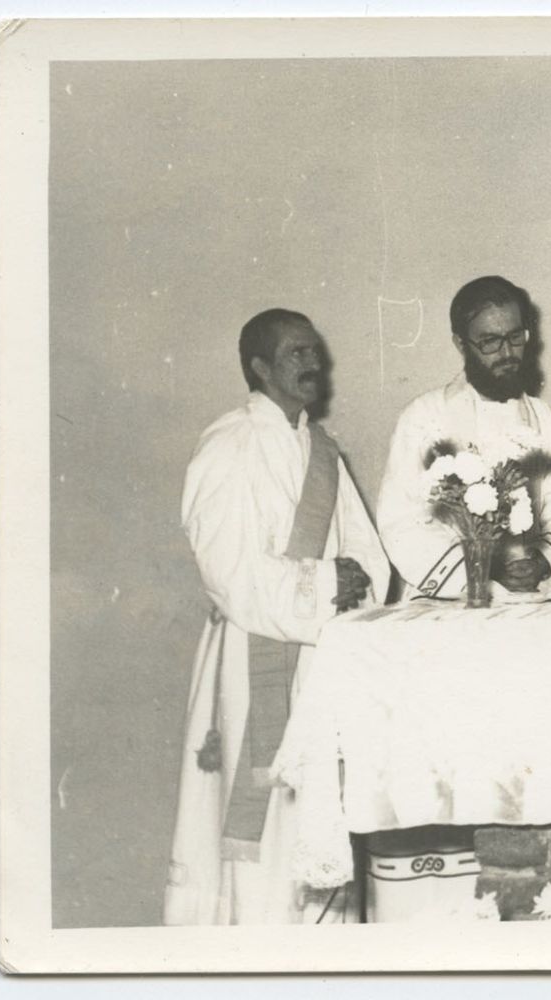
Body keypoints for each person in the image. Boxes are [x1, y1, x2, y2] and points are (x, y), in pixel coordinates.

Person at [165, 309, 390, 925]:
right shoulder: (229, 444)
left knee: (320, 813)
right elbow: (229, 569)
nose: (313, 363)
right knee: (261, 836)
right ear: (260, 367)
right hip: (251, 658)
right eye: (296, 353)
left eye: (315, 350)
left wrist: (350, 583)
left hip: (323, 660)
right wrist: (329, 582)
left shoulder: (322, 449)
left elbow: (366, 555)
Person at [377, 275, 551, 599]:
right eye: (490, 342)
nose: (507, 352)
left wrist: (544, 562)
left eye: (515, 337)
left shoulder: (543, 419)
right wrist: (483, 569)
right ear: (461, 344)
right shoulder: (425, 417)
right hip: (451, 600)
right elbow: (403, 523)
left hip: (532, 596)